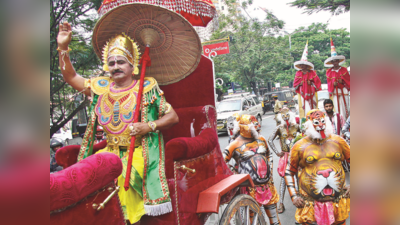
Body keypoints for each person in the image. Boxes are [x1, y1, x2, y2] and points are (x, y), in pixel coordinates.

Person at [57, 22, 179, 224]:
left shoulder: (147, 87)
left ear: (133, 65)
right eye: (111, 63)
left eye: (121, 62)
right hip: (109, 150)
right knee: (88, 175)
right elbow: (70, 76)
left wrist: (148, 126)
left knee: (123, 178)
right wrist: (63, 47)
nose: (115, 67)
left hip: (139, 152)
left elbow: (173, 117)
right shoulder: (100, 88)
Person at [285, 109, 350, 225]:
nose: (320, 125)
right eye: (316, 122)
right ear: (309, 124)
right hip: (310, 205)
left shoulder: (338, 141)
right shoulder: (299, 146)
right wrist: (294, 195)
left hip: (337, 202)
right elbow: (289, 171)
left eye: (322, 121)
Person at [223, 115, 281, 225]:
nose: (258, 126)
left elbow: (269, 155)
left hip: (268, 186)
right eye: (254, 125)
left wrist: (270, 171)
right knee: (253, 221)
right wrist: (234, 173)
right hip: (249, 189)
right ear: (244, 127)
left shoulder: (262, 139)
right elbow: (221, 162)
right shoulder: (234, 144)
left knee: (275, 220)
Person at [267, 107, 300, 214]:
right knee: (283, 180)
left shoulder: (296, 126)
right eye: (283, 116)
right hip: (285, 156)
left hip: (296, 156)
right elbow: (270, 140)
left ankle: (300, 198)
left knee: (299, 177)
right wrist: (277, 152)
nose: (286, 117)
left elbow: (305, 135)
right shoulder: (279, 128)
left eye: (287, 115)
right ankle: (281, 203)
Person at [293, 41, 322, 118]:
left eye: (304, 65)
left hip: (311, 93)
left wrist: (311, 83)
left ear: (306, 65)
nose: (302, 66)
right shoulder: (298, 73)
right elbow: (295, 85)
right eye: (301, 65)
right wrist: (300, 84)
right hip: (302, 94)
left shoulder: (312, 73)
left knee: (313, 106)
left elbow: (318, 83)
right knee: (303, 107)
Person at [324, 38, 350, 120]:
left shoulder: (344, 70)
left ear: (338, 61)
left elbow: (349, 81)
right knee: (337, 109)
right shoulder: (329, 72)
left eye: (336, 61)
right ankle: (338, 122)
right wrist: (333, 84)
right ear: (331, 62)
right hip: (335, 92)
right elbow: (329, 83)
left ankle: (347, 122)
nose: (335, 63)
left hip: (343, 91)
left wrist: (343, 82)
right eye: (333, 61)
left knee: (346, 109)